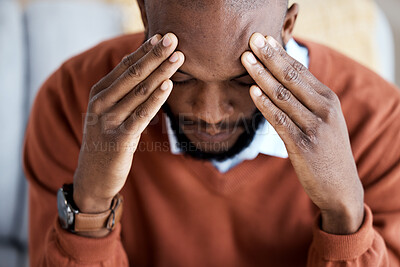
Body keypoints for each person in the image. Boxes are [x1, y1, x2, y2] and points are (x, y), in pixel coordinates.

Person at [23, 0, 400, 266]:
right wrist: (90, 205)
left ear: (286, 27)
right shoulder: (71, 103)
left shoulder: (379, 121)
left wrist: (343, 215)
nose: (210, 115)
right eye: (182, 76)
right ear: (143, 14)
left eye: (242, 78)